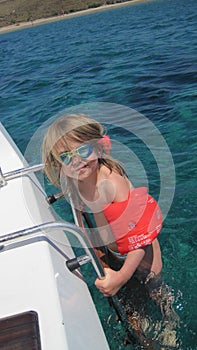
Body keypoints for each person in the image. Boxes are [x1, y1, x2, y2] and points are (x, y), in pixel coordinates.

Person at [42, 113, 165, 296]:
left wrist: (121, 277)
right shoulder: (73, 179)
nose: (76, 161)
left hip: (142, 254)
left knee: (155, 292)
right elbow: (80, 220)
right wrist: (101, 259)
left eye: (83, 151)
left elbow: (140, 240)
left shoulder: (112, 184)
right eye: (66, 157)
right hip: (114, 250)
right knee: (131, 302)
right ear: (58, 164)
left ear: (99, 149)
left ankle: (169, 320)